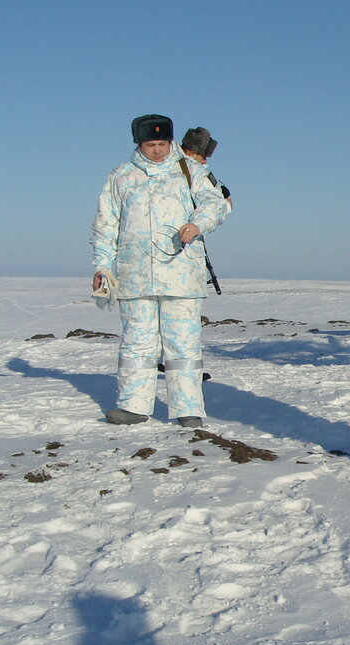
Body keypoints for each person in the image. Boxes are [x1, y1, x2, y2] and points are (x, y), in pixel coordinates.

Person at [91, 114, 228, 428]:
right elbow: (105, 225)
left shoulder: (190, 170)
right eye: (150, 144)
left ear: (171, 142)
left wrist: (197, 224)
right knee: (137, 343)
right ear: (139, 144)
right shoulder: (121, 177)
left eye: (162, 143)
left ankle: (188, 408)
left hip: (180, 275)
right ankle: (133, 406)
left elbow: (215, 204)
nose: (157, 150)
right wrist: (102, 266)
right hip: (133, 275)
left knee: (183, 344)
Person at [180, 127, 233, 213]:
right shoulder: (194, 172)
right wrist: (227, 204)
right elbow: (217, 207)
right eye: (203, 157)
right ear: (191, 153)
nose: (205, 161)